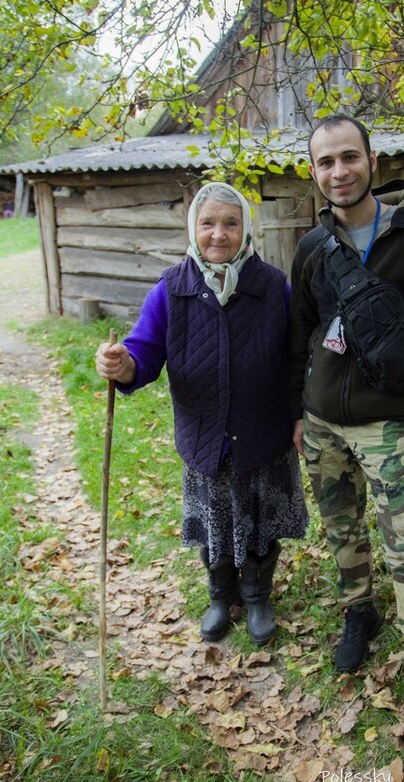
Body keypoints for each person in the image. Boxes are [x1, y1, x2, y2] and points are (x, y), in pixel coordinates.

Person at [288, 115, 404, 755]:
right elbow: (296, 336)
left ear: (371, 160)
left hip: (389, 426)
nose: (339, 171)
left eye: (349, 158)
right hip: (323, 422)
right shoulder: (311, 250)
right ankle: (357, 613)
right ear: (315, 172)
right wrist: (296, 414)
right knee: (341, 531)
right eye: (326, 162)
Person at [96, 182, 307, 646]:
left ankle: (257, 598)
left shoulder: (272, 287)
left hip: (262, 433)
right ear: (193, 227)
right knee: (215, 522)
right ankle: (219, 596)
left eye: (230, 223)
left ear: (245, 230)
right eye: (208, 223)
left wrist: (299, 415)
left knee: (259, 521)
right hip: (205, 436)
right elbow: (143, 352)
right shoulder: (172, 289)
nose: (219, 234)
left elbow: (297, 360)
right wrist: (122, 364)